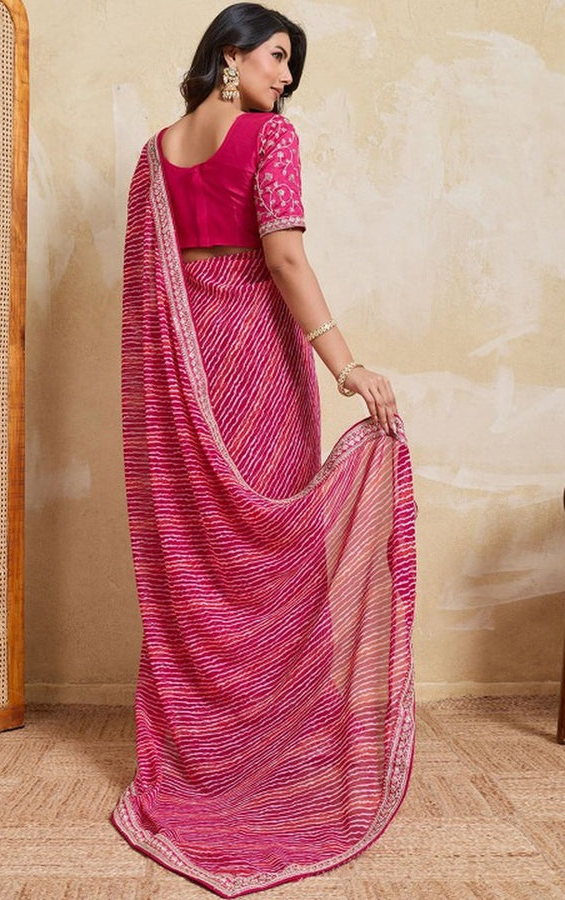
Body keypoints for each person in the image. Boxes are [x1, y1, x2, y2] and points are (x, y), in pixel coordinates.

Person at [110, 4, 417, 897]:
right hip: (253, 353)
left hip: (183, 372)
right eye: (278, 58)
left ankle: (207, 756)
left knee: (202, 553)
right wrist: (347, 364)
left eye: (291, 66)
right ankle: (270, 756)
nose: (285, 79)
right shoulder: (267, 139)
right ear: (229, 54)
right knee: (273, 552)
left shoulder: (152, 154)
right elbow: (282, 259)